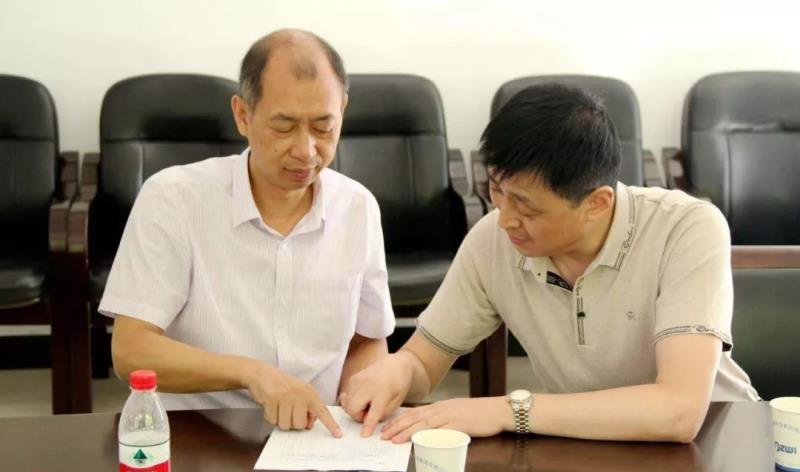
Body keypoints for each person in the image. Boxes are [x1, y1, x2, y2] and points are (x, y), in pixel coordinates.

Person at [341, 83, 758, 443]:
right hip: (589, 450)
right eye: (496, 190)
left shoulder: (686, 228)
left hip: (717, 446)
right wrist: (396, 371)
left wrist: (508, 410)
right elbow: (423, 361)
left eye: (527, 207)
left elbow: (680, 410)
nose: (505, 219)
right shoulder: (494, 240)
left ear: (597, 203)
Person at [101, 29, 394, 437]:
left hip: (316, 440)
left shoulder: (358, 207)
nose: (306, 150)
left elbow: (367, 339)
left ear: (342, 110)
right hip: (198, 439)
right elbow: (131, 350)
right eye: (284, 127)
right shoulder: (173, 199)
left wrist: (367, 390)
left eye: (323, 127)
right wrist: (252, 374)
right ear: (242, 115)